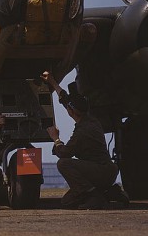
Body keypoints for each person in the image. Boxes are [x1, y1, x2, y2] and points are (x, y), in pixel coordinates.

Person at [41, 71, 126, 210]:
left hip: (100, 172)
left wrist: (56, 138)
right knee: (67, 202)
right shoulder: (90, 118)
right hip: (105, 171)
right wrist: (52, 81)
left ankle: (94, 196)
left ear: (70, 112)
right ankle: (110, 193)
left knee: (63, 163)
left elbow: (64, 153)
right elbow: (66, 100)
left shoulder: (82, 132)